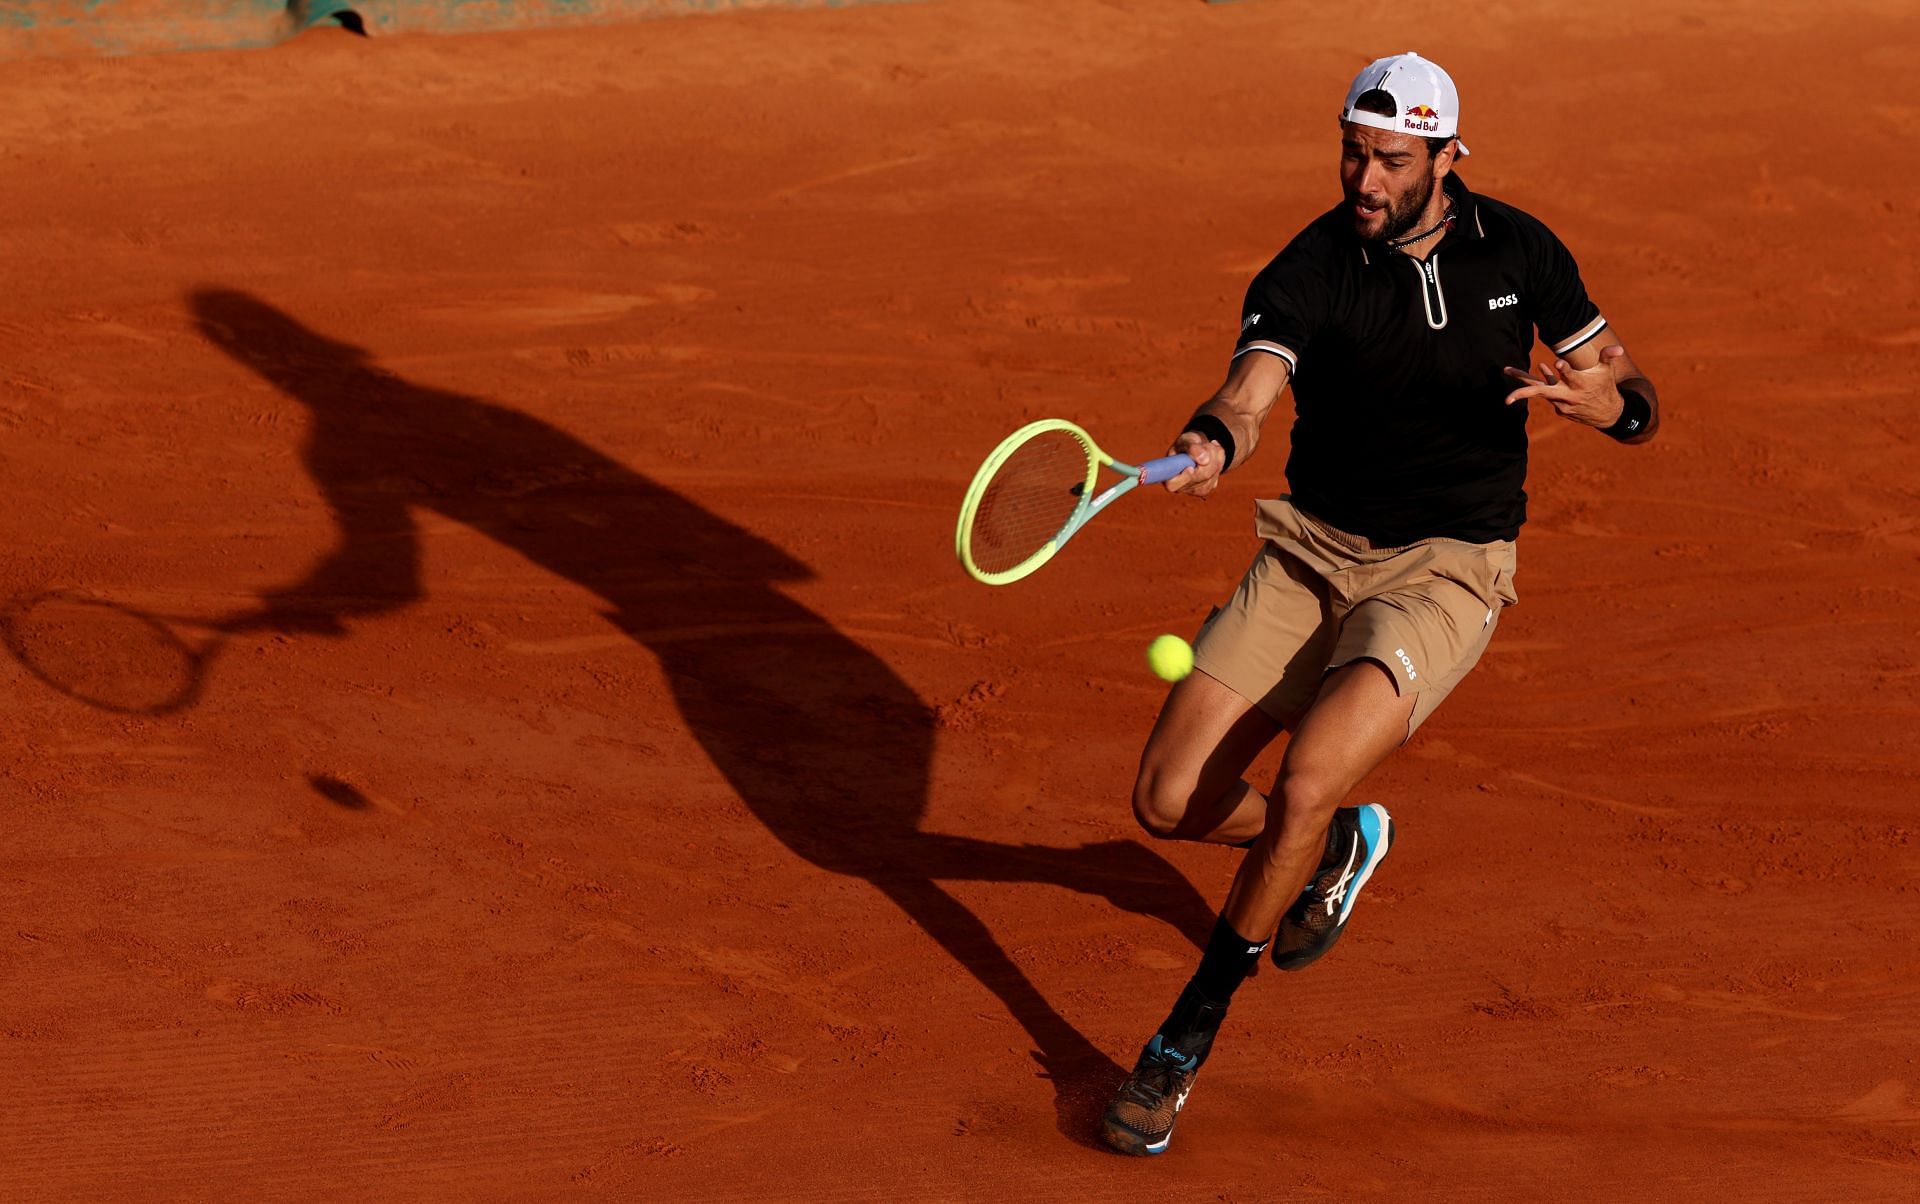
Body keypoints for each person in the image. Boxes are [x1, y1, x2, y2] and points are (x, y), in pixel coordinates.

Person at [1101, 51, 1660, 1156]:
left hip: (1449, 564)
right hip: (1311, 552)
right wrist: (1218, 434)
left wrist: (1615, 409)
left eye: (1391, 161)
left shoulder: (1522, 252)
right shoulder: (1311, 266)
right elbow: (1251, 385)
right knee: (1167, 800)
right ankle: (1344, 842)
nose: (1364, 177)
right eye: (1354, 151)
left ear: (1451, 160)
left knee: (1304, 773)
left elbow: (1622, 378)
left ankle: (1179, 1045)